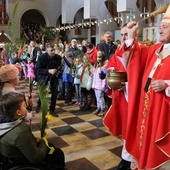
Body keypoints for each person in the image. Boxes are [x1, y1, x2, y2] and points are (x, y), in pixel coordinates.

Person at [122, 4, 170, 170]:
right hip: (146, 109)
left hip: (162, 114)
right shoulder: (155, 49)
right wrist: (130, 34)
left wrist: (167, 85)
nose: (160, 30)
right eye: (160, 27)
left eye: (164, 27)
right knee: (143, 144)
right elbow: (135, 56)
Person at [103, 23, 148, 170]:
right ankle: (125, 159)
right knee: (126, 129)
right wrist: (111, 73)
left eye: (126, 34)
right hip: (123, 97)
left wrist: (127, 85)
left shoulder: (142, 50)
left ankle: (129, 161)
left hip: (136, 97)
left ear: (135, 34)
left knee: (133, 130)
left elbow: (140, 74)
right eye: (122, 35)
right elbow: (112, 64)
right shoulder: (119, 50)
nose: (124, 37)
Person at [0, 92, 65, 170]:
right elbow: (35, 157)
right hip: (20, 159)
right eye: (24, 106)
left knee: (51, 146)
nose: (26, 107)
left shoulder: (6, 121)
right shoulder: (20, 130)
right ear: (18, 112)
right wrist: (43, 141)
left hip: (10, 155)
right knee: (58, 153)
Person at [35, 43, 62, 117]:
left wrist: (58, 72)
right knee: (43, 93)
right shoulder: (41, 57)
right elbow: (38, 69)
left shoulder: (58, 57)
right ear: (47, 50)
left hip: (54, 78)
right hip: (44, 77)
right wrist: (48, 71)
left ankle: (52, 110)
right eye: (51, 50)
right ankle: (39, 103)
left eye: (54, 50)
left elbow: (59, 67)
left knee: (55, 93)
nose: (53, 52)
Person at [92, 51, 106, 116]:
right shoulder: (96, 65)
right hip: (96, 84)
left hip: (100, 85)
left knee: (100, 97)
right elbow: (94, 74)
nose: (98, 58)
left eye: (100, 57)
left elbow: (104, 77)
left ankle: (103, 109)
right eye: (97, 57)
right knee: (97, 97)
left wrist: (103, 86)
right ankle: (98, 107)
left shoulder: (104, 66)